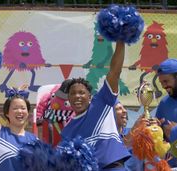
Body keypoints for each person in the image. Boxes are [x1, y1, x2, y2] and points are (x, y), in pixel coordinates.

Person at [60, 41, 131, 170]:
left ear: (90, 96)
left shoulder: (102, 101)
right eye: (73, 93)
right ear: (69, 99)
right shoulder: (67, 131)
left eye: (82, 93)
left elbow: (115, 72)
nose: (77, 96)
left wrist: (121, 41)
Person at [0, 78, 37, 171]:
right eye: (15, 108)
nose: (20, 111)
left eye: (23, 108)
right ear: (7, 113)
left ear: (28, 113)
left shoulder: (35, 140)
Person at [156, 58, 177, 167]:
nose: (164, 86)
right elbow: (160, 136)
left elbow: (172, 132)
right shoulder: (164, 103)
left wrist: (174, 131)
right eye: (161, 82)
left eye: (166, 81)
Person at [114, 101, 145, 171]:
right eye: (118, 109)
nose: (125, 111)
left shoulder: (136, 132)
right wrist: (134, 130)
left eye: (123, 108)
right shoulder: (105, 138)